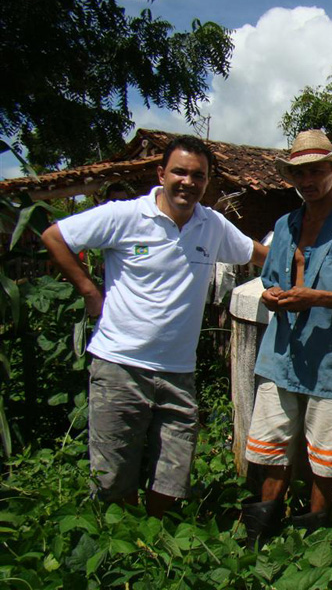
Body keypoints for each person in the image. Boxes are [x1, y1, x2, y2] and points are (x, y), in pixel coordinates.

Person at [41, 135, 268, 518]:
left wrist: (304, 267)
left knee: (172, 479)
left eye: (198, 176)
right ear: (162, 174)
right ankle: (122, 544)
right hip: (120, 367)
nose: (188, 182)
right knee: (114, 478)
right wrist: (89, 291)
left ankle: (157, 539)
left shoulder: (211, 225)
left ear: (206, 182)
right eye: (180, 172)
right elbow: (55, 236)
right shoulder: (124, 216)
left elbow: (259, 254)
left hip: (178, 375)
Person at [242, 130, 332, 547]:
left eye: (315, 171)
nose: (307, 181)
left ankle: (314, 545)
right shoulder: (285, 225)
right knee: (272, 448)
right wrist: (273, 296)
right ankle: (260, 540)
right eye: (299, 173)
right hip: (281, 353)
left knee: (326, 457)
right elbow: (270, 281)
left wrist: (317, 297)